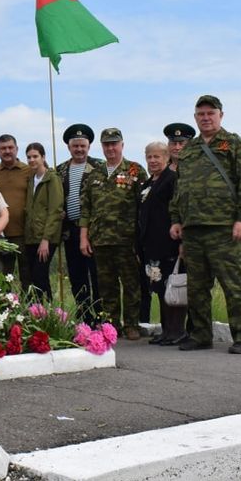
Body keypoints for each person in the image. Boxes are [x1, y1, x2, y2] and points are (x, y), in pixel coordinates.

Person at [170, 95, 241, 354]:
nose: (206, 118)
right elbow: (180, 188)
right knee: (197, 287)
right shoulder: (189, 150)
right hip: (194, 228)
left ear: (221, 115)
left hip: (224, 226)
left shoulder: (232, 144)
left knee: (234, 284)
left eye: (211, 113)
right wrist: (176, 220)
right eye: (201, 114)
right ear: (195, 117)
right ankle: (200, 334)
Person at [80, 127, 147, 340]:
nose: (110, 148)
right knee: (106, 286)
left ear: (122, 145)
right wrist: (84, 236)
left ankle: (132, 324)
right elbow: (86, 208)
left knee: (131, 285)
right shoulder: (94, 174)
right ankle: (111, 324)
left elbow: (144, 206)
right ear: (101, 147)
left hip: (127, 240)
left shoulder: (135, 171)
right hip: (100, 240)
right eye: (106, 144)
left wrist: (141, 240)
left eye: (114, 143)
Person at [138, 141, 185, 345]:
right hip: (151, 246)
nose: (153, 160)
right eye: (149, 157)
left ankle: (177, 331)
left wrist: (183, 241)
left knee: (172, 287)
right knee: (158, 287)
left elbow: (179, 210)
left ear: (166, 158)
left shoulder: (172, 180)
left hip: (169, 244)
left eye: (157, 156)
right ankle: (166, 330)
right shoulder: (148, 184)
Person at [56, 124, 103, 323]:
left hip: (94, 230)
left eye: (83, 145)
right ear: (69, 147)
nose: (79, 149)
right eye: (75, 146)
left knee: (97, 274)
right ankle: (84, 314)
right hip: (70, 231)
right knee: (77, 276)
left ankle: (100, 313)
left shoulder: (99, 167)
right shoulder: (60, 170)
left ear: (89, 146)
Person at [0, 134, 31, 280]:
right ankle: (5, 302)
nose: (7, 151)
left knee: (27, 274)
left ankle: (30, 303)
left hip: (24, 233)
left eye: (10, 147)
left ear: (17, 149)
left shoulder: (28, 171)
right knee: (3, 275)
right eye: (3, 148)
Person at [23, 143, 63, 300]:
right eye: (29, 157)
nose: (32, 160)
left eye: (35, 156)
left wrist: (46, 239)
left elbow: (55, 210)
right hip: (31, 236)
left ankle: (46, 310)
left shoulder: (52, 179)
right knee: (36, 277)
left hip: (46, 238)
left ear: (43, 157)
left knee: (40, 275)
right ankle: (43, 310)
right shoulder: (31, 179)